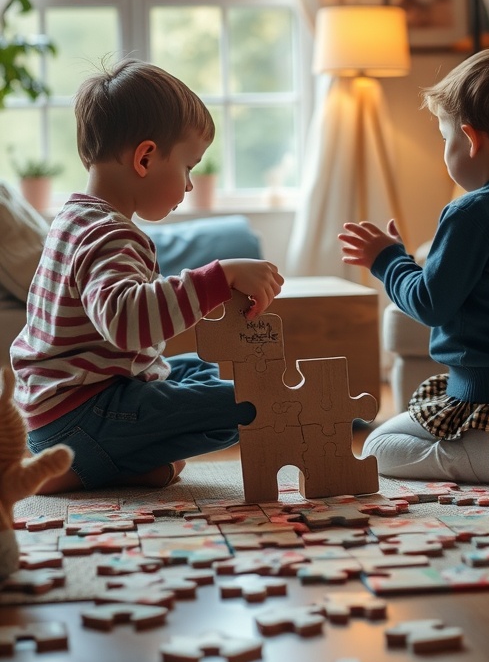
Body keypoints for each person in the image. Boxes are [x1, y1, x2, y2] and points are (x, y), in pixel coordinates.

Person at [11, 60, 284, 492]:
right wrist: (220, 277)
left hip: (57, 412)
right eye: (189, 167)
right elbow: (125, 323)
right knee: (253, 402)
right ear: (145, 158)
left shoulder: (73, 217)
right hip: (81, 417)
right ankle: (83, 466)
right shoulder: (112, 234)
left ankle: (112, 464)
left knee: (199, 371)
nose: (191, 185)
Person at [339, 45, 489, 486]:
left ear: (470, 138)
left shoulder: (469, 213)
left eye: (445, 138)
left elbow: (430, 304)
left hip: (482, 395)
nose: (446, 149)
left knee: (376, 448)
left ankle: (473, 454)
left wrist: (388, 260)